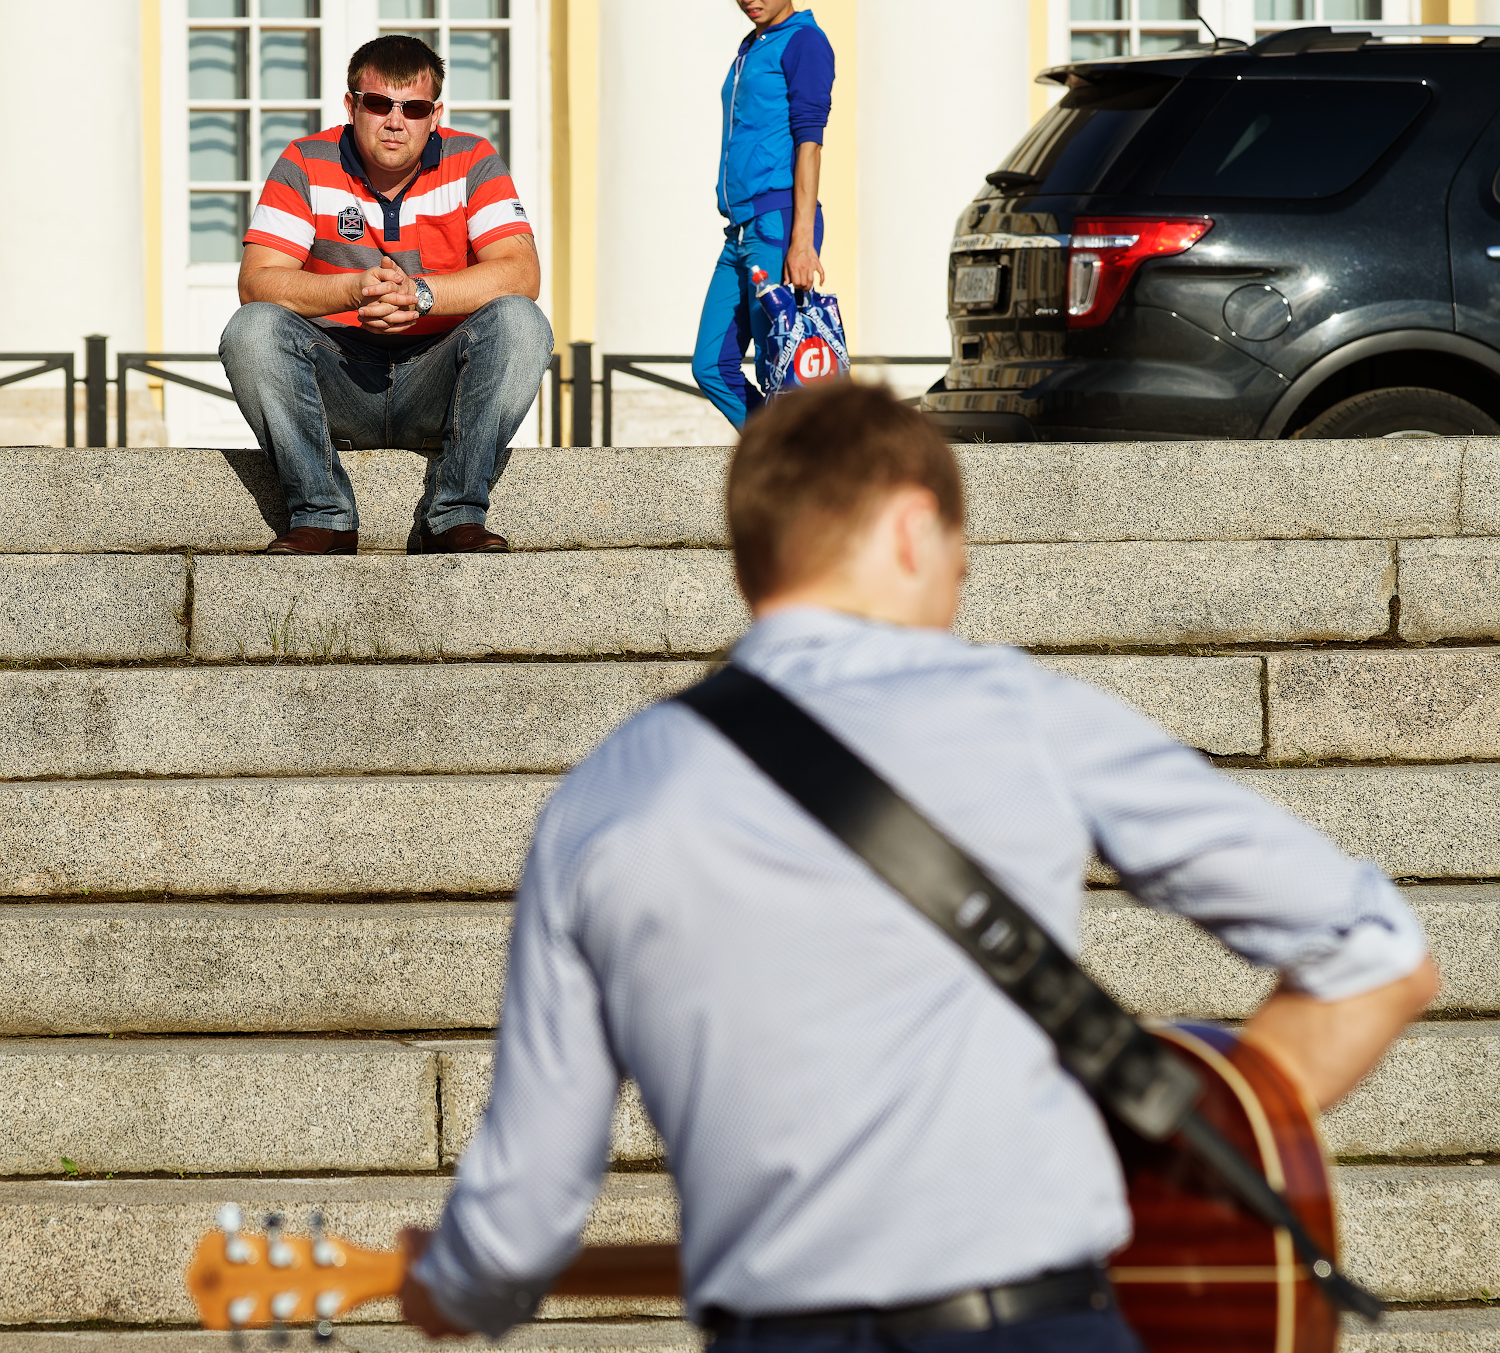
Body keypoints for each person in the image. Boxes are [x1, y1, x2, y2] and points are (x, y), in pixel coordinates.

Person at [398, 380, 1439, 1350]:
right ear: (909, 527)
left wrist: (451, 1284)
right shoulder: (1023, 714)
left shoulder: (604, 796)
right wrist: (1194, 1159)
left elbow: (525, 1212)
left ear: (754, 556)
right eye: (957, 558)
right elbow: (1377, 952)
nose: (959, 585)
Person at [220, 34, 552, 555]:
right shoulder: (305, 160)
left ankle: (455, 513)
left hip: (438, 379)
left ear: (434, 114)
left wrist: (419, 294)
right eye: (378, 104)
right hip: (338, 376)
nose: (395, 121)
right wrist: (353, 288)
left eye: (414, 108)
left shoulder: (474, 159)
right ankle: (323, 513)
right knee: (253, 329)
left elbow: (521, 273)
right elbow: (257, 282)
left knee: (521, 321)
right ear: (352, 105)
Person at [692, 0, 835, 429]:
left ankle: (802, 472)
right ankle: (782, 455)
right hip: (740, 228)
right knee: (710, 365)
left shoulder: (805, 42)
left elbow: (809, 144)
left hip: (777, 224)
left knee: (777, 362)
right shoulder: (753, 45)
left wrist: (801, 241)